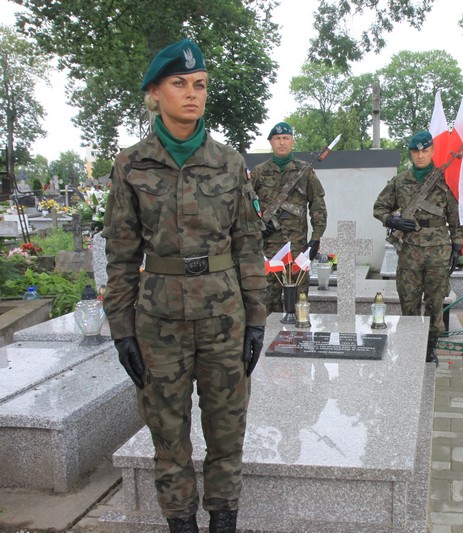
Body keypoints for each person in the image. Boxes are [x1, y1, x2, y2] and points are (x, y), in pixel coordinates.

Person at [102, 39, 267, 533]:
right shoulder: (131, 165)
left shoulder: (229, 162)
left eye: (200, 84)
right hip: (160, 323)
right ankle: (180, 524)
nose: (192, 93)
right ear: (155, 93)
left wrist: (257, 319)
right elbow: (121, 254)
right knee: (167, 434)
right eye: (179, 83)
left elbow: (248, 244)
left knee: (227, 429)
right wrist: (122, 330)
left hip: (223, 318)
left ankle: (223, 520)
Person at [373, 131, 463, 364]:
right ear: (411, 153)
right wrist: (392, 221)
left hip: (438, 252)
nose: (420, 156)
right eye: (415, 151)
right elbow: (379, 207)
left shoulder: (446, 180)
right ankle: (412, 346)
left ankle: (430, 348)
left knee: (435, 302)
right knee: (409, 301)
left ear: (432, 151)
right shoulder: (400, 181)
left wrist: (457, 247)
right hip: (409, 252)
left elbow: (456, 217)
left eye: (425, 151)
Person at [251, 122, 327, 314]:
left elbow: (317, 206)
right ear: (270, 142)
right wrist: (257, 225)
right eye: (277, 139)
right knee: (268, 297)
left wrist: (316, 239)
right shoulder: (258, 172)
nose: (282, 142)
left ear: (293, 142)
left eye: (286, 138)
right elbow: (245, 204)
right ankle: (269, 332)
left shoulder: (305, 171)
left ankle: (299, 330)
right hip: (269, 246)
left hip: (297, 246)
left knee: (300, 296)